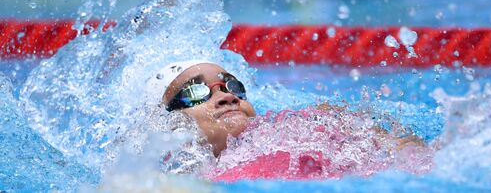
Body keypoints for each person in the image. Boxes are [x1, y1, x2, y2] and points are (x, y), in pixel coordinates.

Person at [146, 60, 431, 180]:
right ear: (165, 125)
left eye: (233, 87)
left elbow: (405, 149)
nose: (227, 97)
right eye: (195, 92)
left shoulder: (308, 126)